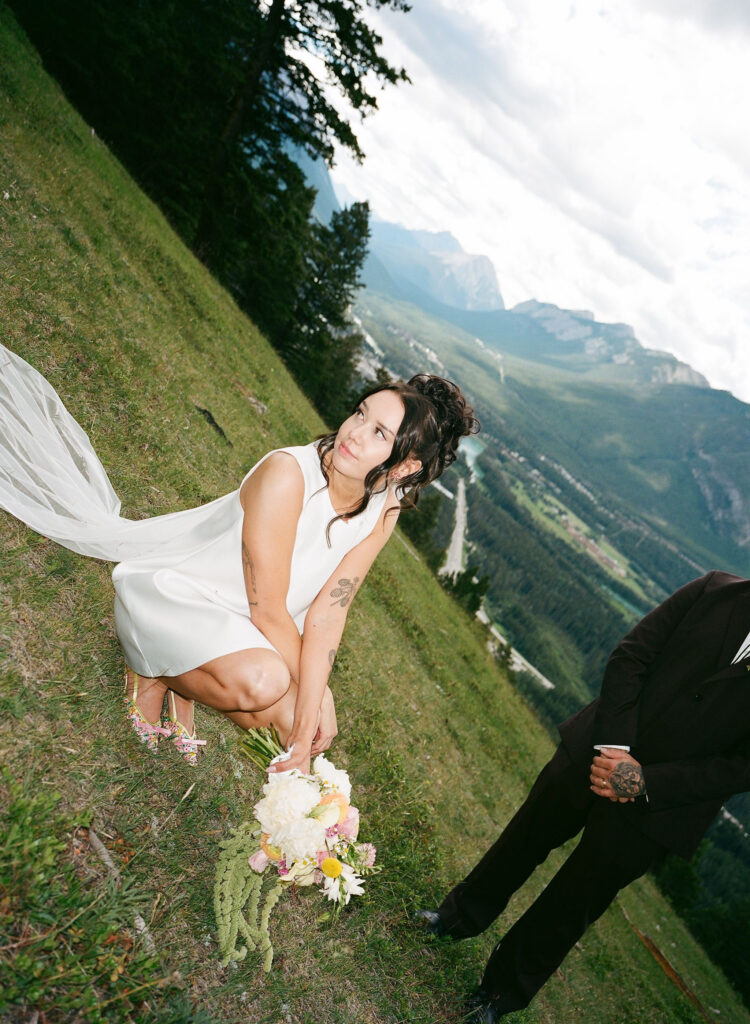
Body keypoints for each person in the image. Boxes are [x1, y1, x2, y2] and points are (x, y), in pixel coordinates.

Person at [0, 343, 478, 771]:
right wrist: (320, 693)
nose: (354, 432)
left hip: (251, 632)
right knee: (266, 681)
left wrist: (310, 713)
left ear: (405, 466)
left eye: (379, 433)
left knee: (302, 726)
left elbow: (331, 613)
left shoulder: (384, 509)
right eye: (360, 413)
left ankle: (195, 679)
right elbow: (267, 607)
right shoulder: (289, 473)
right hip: (185, 596)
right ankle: (155, 670)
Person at [416, 569, 750, 1022]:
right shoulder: (715, 588)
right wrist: (616, 752)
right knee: (524, 839)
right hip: (595, 749)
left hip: (659, 808)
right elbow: (633, 655)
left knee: (574, 902)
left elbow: (740, 767)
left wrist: (641, 781)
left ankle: (498, 997)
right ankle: (455, 919)